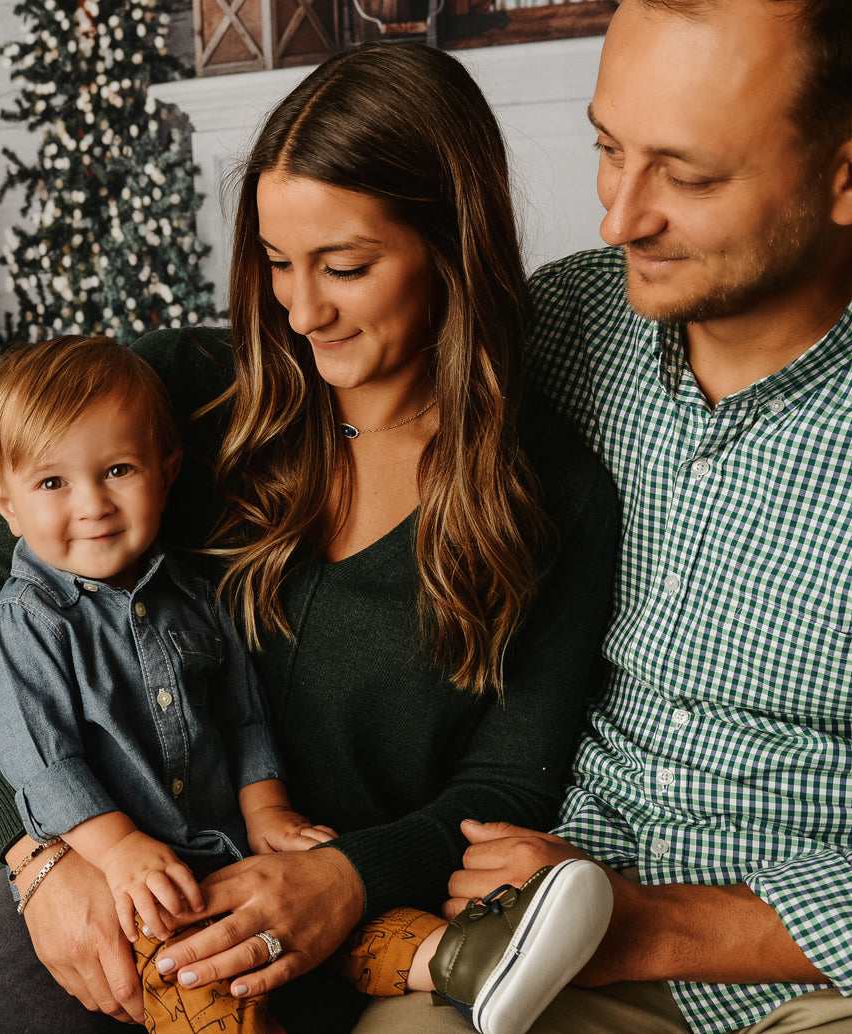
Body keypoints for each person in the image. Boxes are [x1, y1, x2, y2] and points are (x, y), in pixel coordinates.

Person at [0, 41, 620, 1034]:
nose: (298, 308)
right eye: (277, 263)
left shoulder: (549, 494)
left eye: (343, 266)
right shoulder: (178, 399)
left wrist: (344, 876)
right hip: (107, 871)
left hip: (338, 916)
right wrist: (42, 861)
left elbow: (508, 780)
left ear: (451, 246)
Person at [359, 1, 852, 1033]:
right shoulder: (567, 322)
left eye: (685, 174)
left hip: (807, 977)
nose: (617, 217)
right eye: (605, 149)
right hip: (529, 923)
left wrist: (647, 924)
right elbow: (305, 375)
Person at [0, 334, 615, 1034]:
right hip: (132, 887)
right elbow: (42, 763)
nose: (92, 504)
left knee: (350, 931)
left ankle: (468, 961)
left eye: (117, 470)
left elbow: (241, 720)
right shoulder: (29, 624)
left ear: (168, 469)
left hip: (227, 854)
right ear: (3, 504)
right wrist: (117, 851)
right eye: (52, 484)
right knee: (205, 984)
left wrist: (267, 812)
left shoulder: (193, 594)